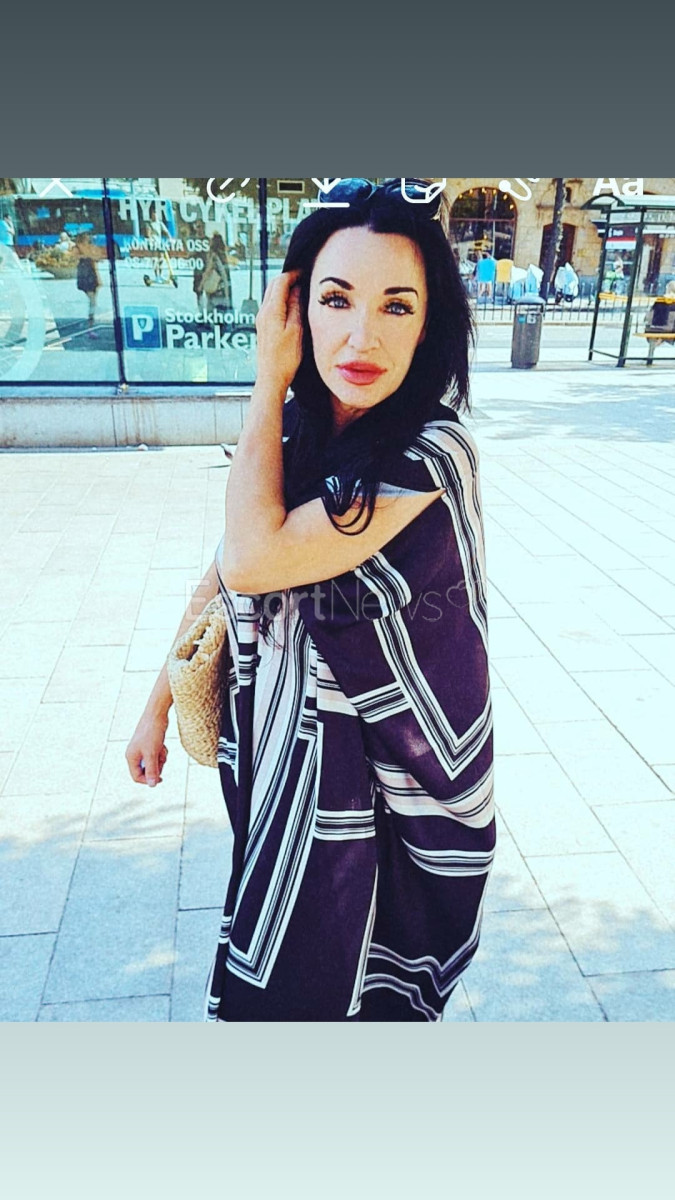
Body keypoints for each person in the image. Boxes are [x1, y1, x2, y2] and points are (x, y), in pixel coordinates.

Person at [125, 178, 495, 1022]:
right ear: (295, 310)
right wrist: (156, 703)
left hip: (398, 780)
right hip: (286, 752)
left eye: (397, 305)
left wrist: (266, 378)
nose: (363, 335)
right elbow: (223, 570)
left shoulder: (433, 449)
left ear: (429, 323)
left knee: (347, 977)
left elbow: (254, 560)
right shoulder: (294, 434)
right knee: (291, 930)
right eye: (335, 299)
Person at [198, 232, 233, 315]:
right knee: (222, 311)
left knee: (212, 310)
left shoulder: (214, 256)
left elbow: (208, 271)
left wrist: (201, 285)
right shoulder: (223, 255)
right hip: (224, 287)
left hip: (215, 286)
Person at [74, 233, 101, 338]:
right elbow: (74, 257)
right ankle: (90, 326)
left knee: (93, 301)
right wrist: (86, 256)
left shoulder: (91, 247)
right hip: (85, 275)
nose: (88, 239)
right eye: (86, 238)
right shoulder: (78, 247)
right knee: (92, 301)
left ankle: (91, 323)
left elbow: (98, 257)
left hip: (92, 275)